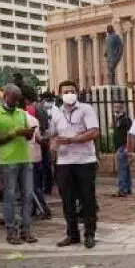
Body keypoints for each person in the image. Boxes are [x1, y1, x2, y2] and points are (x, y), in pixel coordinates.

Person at [48, 80, 100, 248]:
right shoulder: (56, 113)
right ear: (60, 93)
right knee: (67, 200)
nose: (69, 94)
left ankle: (90, 233)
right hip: (64, 162)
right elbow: (53, 135)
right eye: (66, 91)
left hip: (85, 161)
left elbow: (94, 132)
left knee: (87, 199)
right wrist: (52, 147)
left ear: (77, 93)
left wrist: (71, 140)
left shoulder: (86, 109)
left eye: (72, 91)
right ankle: (72, 234)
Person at [0, 84, 35, 245]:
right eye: (14, 98)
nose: (16, 102)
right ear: (5, 96)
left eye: (18, 99)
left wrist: (28, 134)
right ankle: (11, 231)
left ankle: (26, 231)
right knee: (10, 197)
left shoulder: (22, 113)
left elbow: (26, 137)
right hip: (7, 161)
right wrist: (14, 134)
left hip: (25, 159)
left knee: (27, 196)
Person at [24, 97, 51, 221]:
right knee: (35, 184)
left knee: (33, 186)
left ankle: (43, 208)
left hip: (29, 156)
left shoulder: (25, 119)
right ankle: (34, 209)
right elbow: (39, 138)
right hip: (35, 156)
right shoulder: (34, 120)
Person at [112, 102, 132, 197]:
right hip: (119, 146)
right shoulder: (117, 119)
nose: (116, 109)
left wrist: (128, 148)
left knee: (122, 169)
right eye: (115, 107)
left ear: (123, 108)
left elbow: (129, 134)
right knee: (125, 169)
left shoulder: (126, 119)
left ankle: (122, 189)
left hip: (123, 147)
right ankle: (127, 188)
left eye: (119, 107)